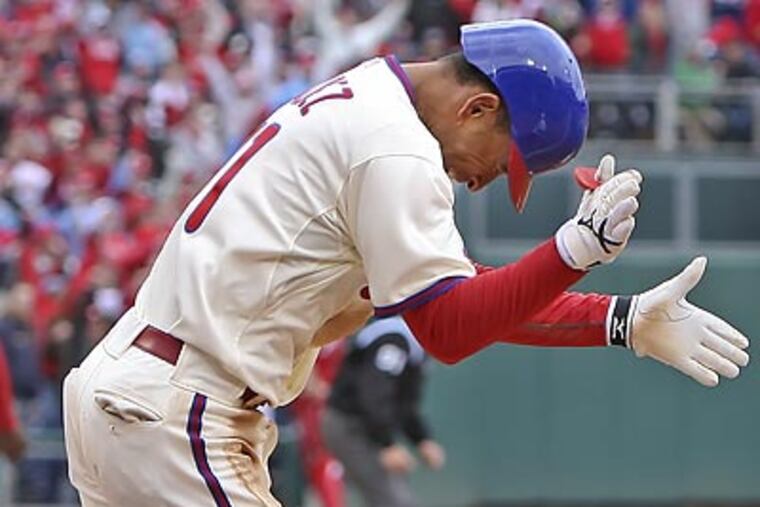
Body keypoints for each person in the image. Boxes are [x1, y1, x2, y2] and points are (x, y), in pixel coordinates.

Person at [62, 19, 750, 507]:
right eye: (501, 163)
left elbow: (465, 293)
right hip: (181, 412)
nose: (482, 183)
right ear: (478, 107)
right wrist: (576, 252)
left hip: (138, 393)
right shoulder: (397, 146)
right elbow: (448, 329)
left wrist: (619, 318)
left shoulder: (374, 98)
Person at [323, 316, 445, 507]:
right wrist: (386, 444)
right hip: (348, 425)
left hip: (363, 427)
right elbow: (373, 393)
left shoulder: (415, 344)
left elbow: (405, 403)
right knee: (393, 500)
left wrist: (421, 439)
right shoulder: (394, 338)